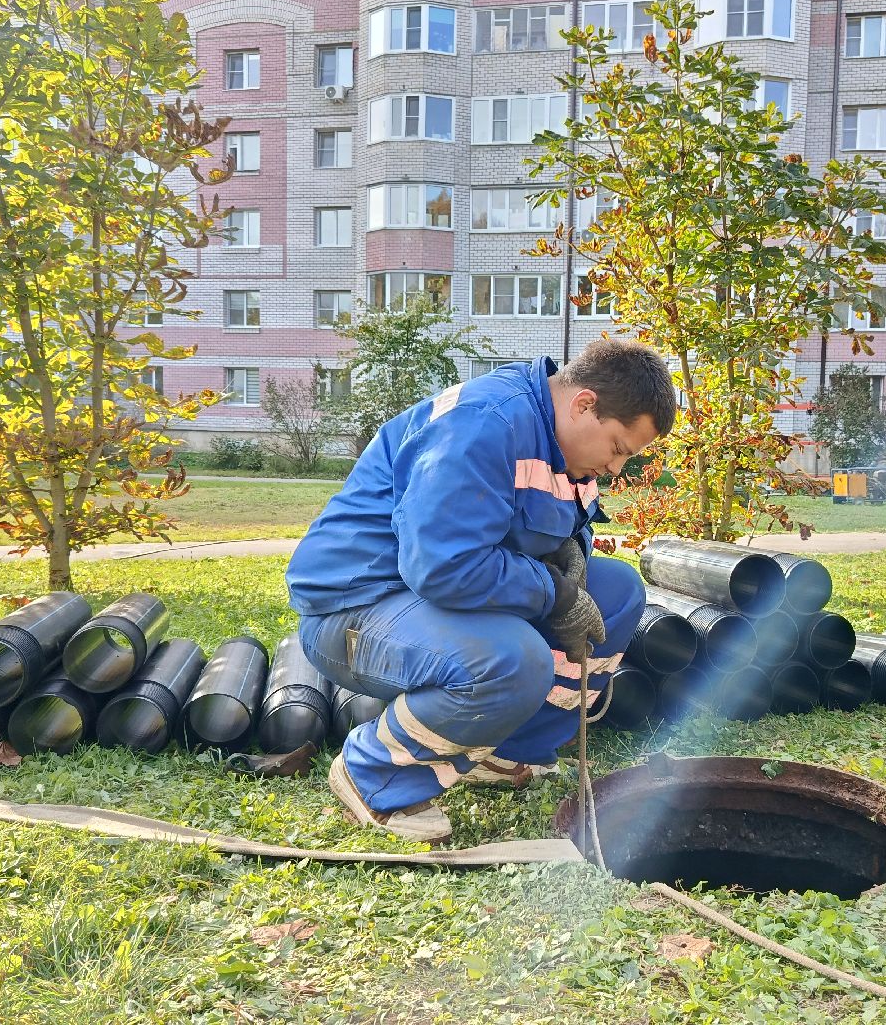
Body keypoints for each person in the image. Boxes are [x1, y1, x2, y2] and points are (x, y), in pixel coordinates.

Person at [286, 340, 677, 843]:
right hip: (357, 609)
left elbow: (554, 529)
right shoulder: (483, 424)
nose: (617, 468)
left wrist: (570, 558)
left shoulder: (562, 440)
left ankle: (506, 751)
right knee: (514, 661)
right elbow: (445, 566)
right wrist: (554, 592)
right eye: (619, 449)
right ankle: (373, 775)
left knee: (617, 591)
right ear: (584, 404)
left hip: (428, 600)